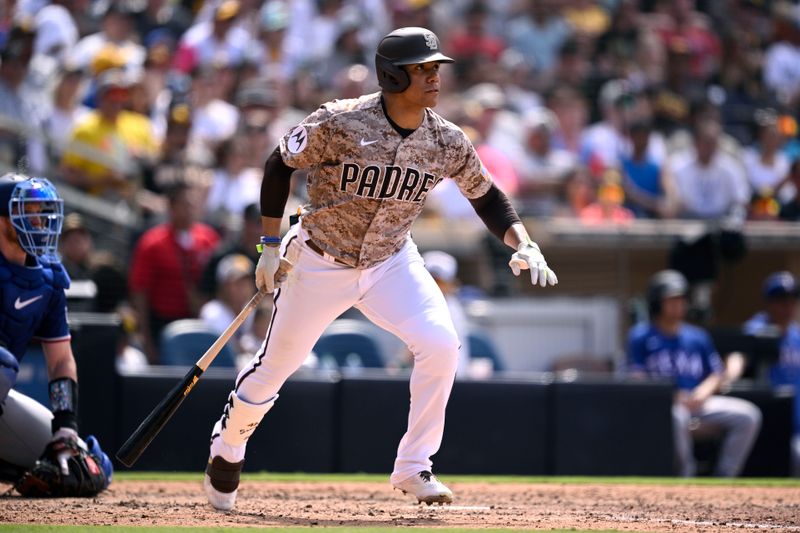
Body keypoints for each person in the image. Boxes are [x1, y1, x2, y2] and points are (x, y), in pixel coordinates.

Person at [203, 26, 558, 511]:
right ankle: (229, 445)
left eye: (436, 68)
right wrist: (268, 242)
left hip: (391, 260)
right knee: (275, 369)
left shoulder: (445, 138)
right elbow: (279, 163)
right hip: (320, 259)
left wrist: (524, 242)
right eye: (422, 69)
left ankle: (414, 466)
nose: (434, 78)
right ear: (393, 75)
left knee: (441, 345)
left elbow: (487, 195)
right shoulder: (340, 120)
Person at [0, 173, 112, 494]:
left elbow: (61, 360)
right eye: (28, 211)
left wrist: (64, 426)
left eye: (42, 211)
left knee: (87, 467)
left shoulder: (47, 278)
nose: (38, 221)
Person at [628, 270, 761, 477]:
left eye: (681, 300)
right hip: (664, 405)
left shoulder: (698, 336)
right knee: (677, 415)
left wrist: (702, 393)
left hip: (699, 402)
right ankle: (687, 477)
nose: (678, 305)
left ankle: (725, 477)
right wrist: (672, 396)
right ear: (656, 302)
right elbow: (637, 377)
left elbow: (717, 374)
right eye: (671, 300)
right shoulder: (641, 336)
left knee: (748, 415)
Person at [128, 182, 220, 363]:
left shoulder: (208, 238)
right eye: (184, 205)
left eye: (192, 205)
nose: (190, 210)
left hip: (200, 320)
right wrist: (146, 338)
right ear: (171, 206)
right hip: (162, 321)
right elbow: (139, 292)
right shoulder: (152, 243)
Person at [743, 271, 800, 475]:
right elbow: (739, 359)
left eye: (792, 300)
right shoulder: (755, 330)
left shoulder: (797, 336)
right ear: (769, 303)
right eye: (781, 301)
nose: (788, 307)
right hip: (771, 423)